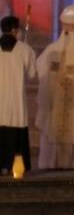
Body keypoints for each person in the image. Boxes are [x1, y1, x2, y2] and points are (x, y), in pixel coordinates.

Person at [36, 5, 74, 169]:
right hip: (73, 102)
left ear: (62, 26)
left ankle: (51, 162)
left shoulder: (50, 49)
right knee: (73, 125)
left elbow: (40, 71)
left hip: (56, 99)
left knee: (53, 124)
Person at [0, 15, 35, 175]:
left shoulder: (24, 49)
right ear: (15, 30)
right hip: (16, 102)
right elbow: (32, 74)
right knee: (15, 133)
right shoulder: (25, 49)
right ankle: (15, 167)